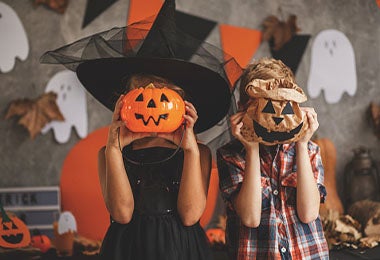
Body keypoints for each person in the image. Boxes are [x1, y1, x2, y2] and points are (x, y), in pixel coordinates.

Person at [217, 57, 329, 259]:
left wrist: (302, 144)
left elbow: (309, 213)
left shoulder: (310, 149)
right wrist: (251, 149)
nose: (276, 116)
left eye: (284, 106)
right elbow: (250, 218)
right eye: (266, 107)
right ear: (243, 108)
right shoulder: (230, 154)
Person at [98, 73, 213, 260]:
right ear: (124, 104)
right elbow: (122, 214)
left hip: (181, 249)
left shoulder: (198, 153)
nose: (152, 107)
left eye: (163, 98)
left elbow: (190, 216)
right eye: (140, 97)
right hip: (129, 249)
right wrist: (114, 150)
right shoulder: (109, 153)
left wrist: (191, 150)